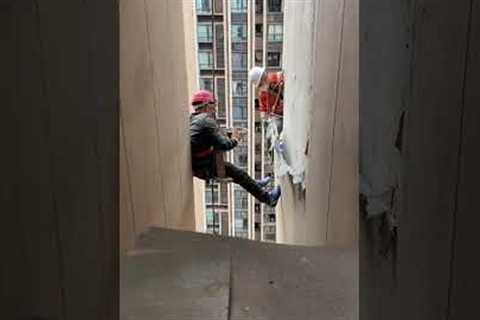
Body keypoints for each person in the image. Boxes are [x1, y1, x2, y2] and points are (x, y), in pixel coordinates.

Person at [189, 90, 281, 207]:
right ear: (207, 105)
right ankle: (268, 198)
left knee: (237, 174)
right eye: (213, 105)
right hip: (205, 165)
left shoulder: (193, 119)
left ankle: (255, 185)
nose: (215, 109)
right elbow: (225, 145)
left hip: (200, 164)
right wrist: (236, 139)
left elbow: (207, 138)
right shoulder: (206, 120)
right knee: (238, 174)